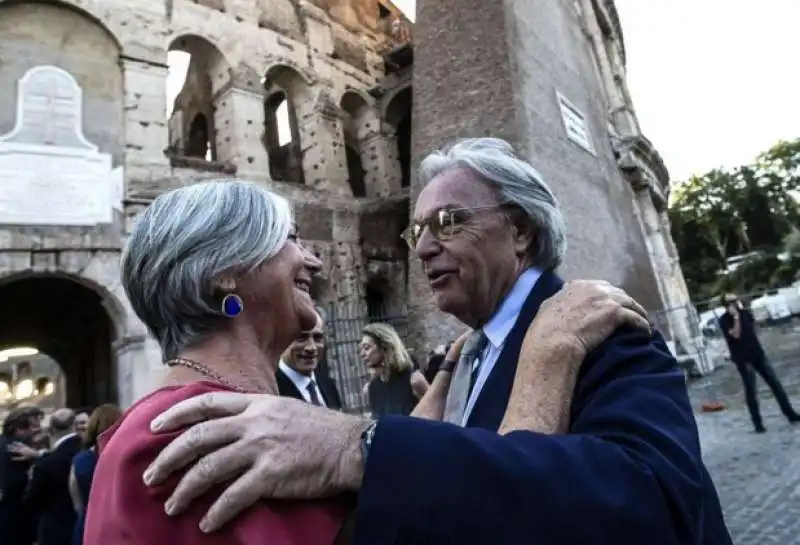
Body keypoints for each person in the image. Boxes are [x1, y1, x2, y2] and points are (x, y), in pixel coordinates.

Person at [140, 138, 732, 545]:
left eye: (448, 223)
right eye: (416, 229)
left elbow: (656, 507)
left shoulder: (598, 328)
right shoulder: (467, 357)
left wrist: (364, 448)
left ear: (520, 230)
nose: (421, 248)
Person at [83, 180, 365, 545]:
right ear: (225, 271)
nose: (314, 261)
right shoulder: (184, 433)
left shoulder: (209, 416)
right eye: (290, 238)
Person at [718, 293, 800, 432]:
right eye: (731, 302)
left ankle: (790, 414)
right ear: (726, 306)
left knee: (776, 385)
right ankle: (758, 423)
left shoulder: (746, 313)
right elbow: (736, 334)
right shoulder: (724, 320)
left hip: (758, 354)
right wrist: (736, 318)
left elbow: (753, 329)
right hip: (743, 360)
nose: (735, 303)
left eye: (735, 300)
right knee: (751, 391)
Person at [25, 408, 82, 545]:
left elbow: (31, 500)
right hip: (85, 527)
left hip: (55, 531)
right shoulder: (87, 453)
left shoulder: (46, 464)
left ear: (51, 430)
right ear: (74, 426)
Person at [69, 404, 122, 545]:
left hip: (88, 525)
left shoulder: (80, 460)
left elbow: (77, 501)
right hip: (120, 526)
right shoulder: (126, 457)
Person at [359, 322, 428, 416]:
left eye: (367, 348)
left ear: (385, 347)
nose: (362, 354)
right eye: (361, 349)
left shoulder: (414, 381)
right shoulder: (371, 389)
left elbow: (436, 415)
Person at [276, 313, 343, 409]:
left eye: (317, 337)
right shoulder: (270, 391)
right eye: (301, 337)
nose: (311, 347)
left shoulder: (328, 385)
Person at [0, 406, 43, 545]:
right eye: (35, 426)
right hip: (14, 518)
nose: (39, 430)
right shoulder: (17, 448)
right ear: (19, 428)